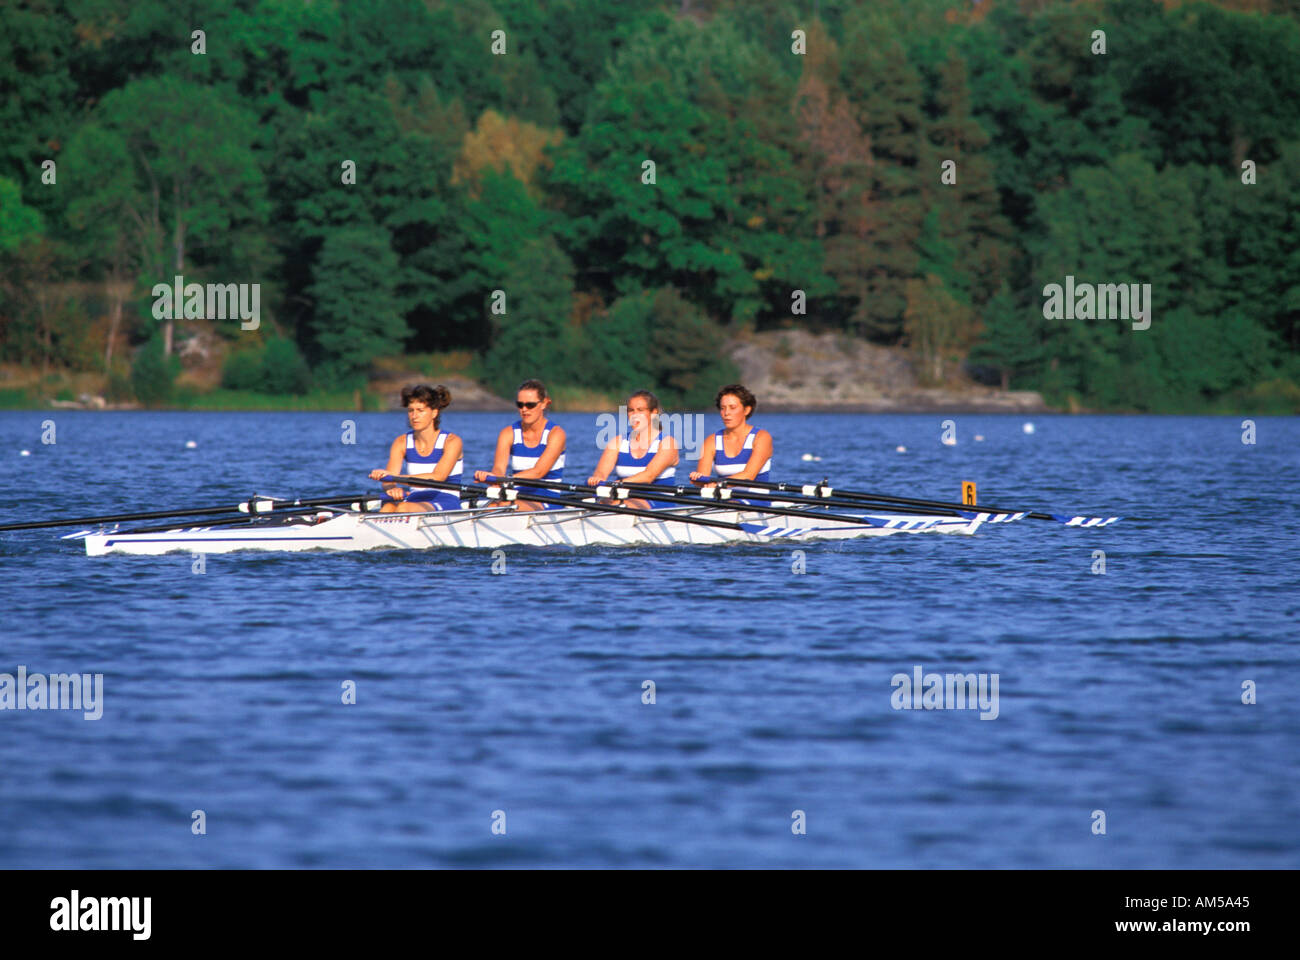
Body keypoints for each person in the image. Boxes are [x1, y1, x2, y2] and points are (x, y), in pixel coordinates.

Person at [473, 379, 566, 511]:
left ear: (544, 403)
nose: (524, 409)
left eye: (530, 405)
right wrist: (494, 478)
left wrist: (505, 479)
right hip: (516, 494)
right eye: (520, 404)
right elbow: (499, 468)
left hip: (547, 499)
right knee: (489, 509)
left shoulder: (556, 434)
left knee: (504, 507)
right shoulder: (508, 433)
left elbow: (538, 472)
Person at [368, 384, 464, 512]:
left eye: (420, 410)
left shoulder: (452, 441)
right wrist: (392, 489)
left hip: (445, 500)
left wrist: (396, 478)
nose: (414, 416)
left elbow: (438, 477)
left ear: (434, 413)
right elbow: (389, 480)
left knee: (403, 508)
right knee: (388, 508)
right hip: (414, 499)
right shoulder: (401, 442)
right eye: (411, 410)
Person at [587, 389, 679, 509]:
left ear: (653, 413)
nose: (634, 415)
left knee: (618, 505)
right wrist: (597, 479)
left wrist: (618, 484)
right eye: (631, 410)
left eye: (640, 410)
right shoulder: (618, 442)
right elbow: (601, 472)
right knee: (591, 502)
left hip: (658, 500)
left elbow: (648, 476)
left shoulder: (667, 442)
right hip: (622, 497)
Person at [689, 383, 772, 497]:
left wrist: (717, 483)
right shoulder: (711, 441)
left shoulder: (762, 437)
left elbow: (749, 475)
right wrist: (698, 480)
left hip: (756, 502)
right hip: (724, 503)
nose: (726, 413)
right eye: (722, 408)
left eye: (732, 408)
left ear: (746, 410)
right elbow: (704, 479)